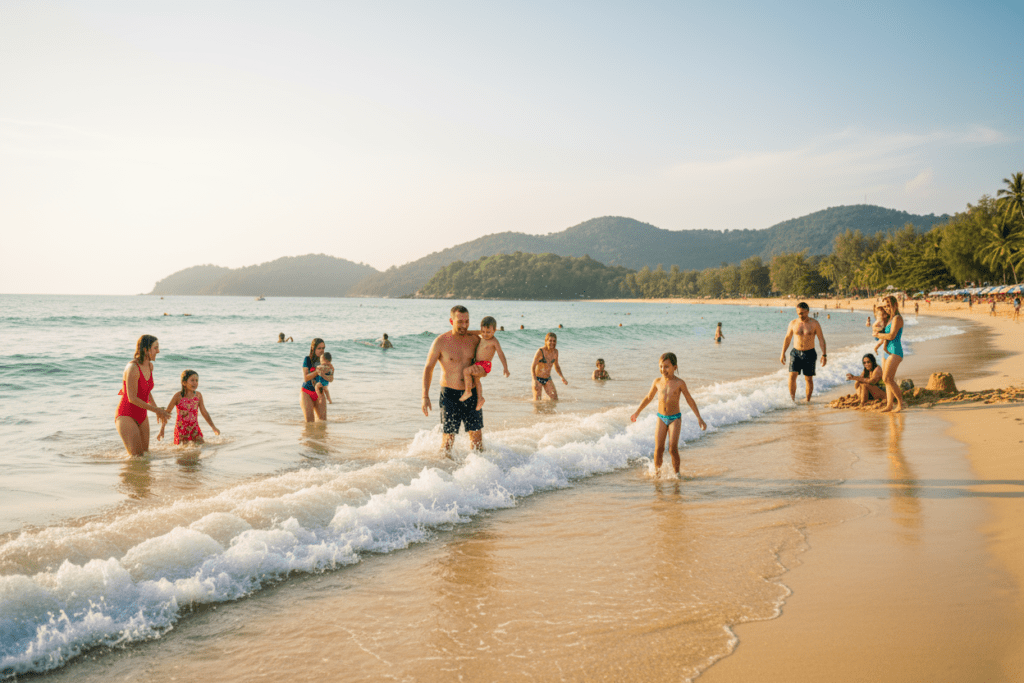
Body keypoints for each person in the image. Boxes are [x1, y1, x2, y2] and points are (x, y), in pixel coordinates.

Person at [630, 352, 707, 477]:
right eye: (660, 366)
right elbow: (648, 397)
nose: (662, 369)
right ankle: (657, 474)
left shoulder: (679, 383)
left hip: (675, 418)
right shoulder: (657, 381)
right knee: (659, 449)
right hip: (661, 417)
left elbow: (689, 399)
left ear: (674, 367)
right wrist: (637, 412)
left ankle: (677, 474)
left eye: (666, 366)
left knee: (672, 449)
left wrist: (699, 418)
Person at [422, 305, 483, 455]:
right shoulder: (441, 341)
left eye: (467, 322)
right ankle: (446, 472)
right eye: (460, 322)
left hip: (472, 394)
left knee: (477, 440)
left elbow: (490, 336)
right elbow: (428, 368)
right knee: (448, 440)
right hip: (450, 395)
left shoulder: (475, 340)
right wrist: (425, 396)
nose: (464, 325)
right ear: (451, 321)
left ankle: (478, 473)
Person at [114, 335, 172, 456]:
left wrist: (157, 411)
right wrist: (156, 410)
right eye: (155, 348)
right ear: (145, 350)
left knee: (145, 455)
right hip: (126, 414)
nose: (158, 351)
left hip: (142, 415)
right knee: (136, 458)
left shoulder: (150, 366)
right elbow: (132, 398)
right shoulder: (132, 368)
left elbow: (146, 390)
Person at [459, 316, 510, 410]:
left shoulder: (494, 341)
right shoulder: (481, 334)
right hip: (477, 363)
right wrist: (462, 331)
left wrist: (505, 368)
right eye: (483, 331)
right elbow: (470, 332)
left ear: (494, 330)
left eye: (488, 332)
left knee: (466, 371)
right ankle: (480, 398)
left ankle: (468, 391)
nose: (485, 334)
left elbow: (501, 354)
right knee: (476, 380)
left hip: (484, 364)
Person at [780, 302, 827, 402]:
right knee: (792, 376)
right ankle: (792, 400)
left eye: (802, 313)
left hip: (809, 353)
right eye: (798, 313)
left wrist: (824, 354)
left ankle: (808, 401)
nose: (800, 315)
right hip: (795, 353)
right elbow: (787, 338)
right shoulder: (793, 323)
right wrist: (783, 352)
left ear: (808, 311)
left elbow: (821, 339)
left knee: (808, 379)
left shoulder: (814, 323)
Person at [157, 370, 220, 444]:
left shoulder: (198, 396)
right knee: (184, 452)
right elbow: (167, 414)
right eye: (192, 380)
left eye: (197, 380)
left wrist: (213, 427)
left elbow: (204, 412)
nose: (195, 383)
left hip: (194, 428)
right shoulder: (178, 396)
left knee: (201, 447)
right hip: (181, 430)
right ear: (184, 383)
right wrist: (162, 430)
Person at [875, 295, 907, 412]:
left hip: (895, 351)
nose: (887, 308)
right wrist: (878, 341)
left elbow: (891, 335)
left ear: (895, 305)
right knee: (887, 380)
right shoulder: (889, 319)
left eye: (888, 306)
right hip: (886, 352)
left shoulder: (897, 318)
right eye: (885, 306)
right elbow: (883, 337)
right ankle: (889, 405)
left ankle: (900, 404)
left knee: (888, 379)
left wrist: (878, 335)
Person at [532, 332, 568, 400]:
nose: (552, 343)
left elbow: (557, 366)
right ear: (546, 341)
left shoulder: (555, 352)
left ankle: (549, 410)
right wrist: (534, 380)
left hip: (547, 379)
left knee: (555, 399)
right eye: (550, 341)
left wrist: (562, 377)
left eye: (554, 341)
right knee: (537, 402)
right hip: (538, 378)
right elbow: (532, 367)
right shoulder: (540, 351)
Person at [300, 338, 329, 422]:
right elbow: (306, 378)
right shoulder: (307, 359)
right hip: (307, 392)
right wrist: (317, 371)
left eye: (323, 348)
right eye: (319, 348)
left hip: (319, 392)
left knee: (323, 422)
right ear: (313, 348)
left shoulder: (325, 361)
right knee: (309, 422)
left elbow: (328, 380)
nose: (322, 350)